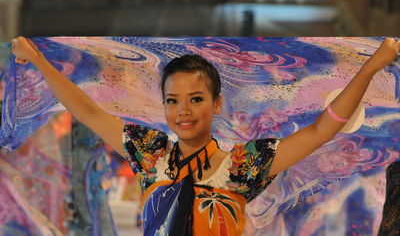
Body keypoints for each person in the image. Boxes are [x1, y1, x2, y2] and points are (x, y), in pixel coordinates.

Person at [11, 36, 400, 235]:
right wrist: (38, 59)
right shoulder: (150, 154)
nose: (183, 111)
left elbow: (320, 130)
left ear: (216, 104)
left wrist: (371, 68)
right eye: (173, 100)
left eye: (196, 99)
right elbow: (88, 110)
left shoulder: (241, 166)